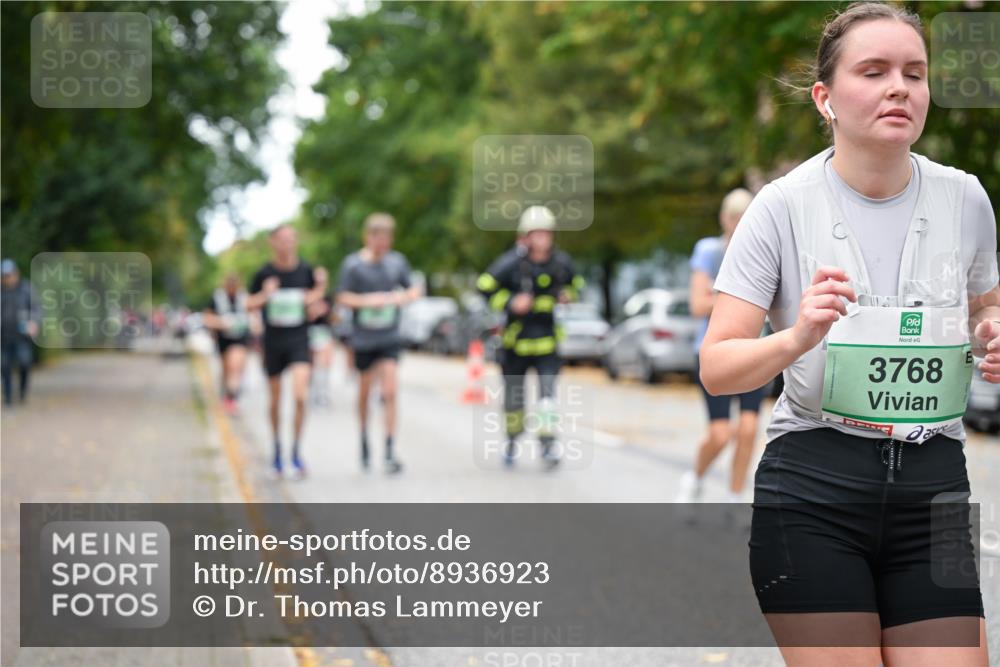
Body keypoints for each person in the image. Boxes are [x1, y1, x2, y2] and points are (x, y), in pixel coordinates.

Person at [700, 3, 997, 664]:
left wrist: (991, 334)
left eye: (915, 73)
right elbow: (717, 365)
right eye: (874, 70)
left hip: (935, 485)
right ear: (825, 98)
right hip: (814, 490)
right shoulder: (779, 207)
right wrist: (798, 335)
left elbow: (986, 312)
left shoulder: (967, 200)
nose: (901, 87)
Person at [477, 206, 585, 469]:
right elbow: (484, 287)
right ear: (525, 236)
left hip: (547, 343)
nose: (542, 239)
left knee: (547, 397)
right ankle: (512, 441)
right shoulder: (511, 263)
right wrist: (511, 302)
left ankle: (548, 446)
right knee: (514, 400)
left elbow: (578, 285)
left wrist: (569, 295)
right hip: (516, 345)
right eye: (537, 233)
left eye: (546, 233)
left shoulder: (561, 263)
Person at [676, 189, 763, 505]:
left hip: (754, 350)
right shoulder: (710, 252)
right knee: (721, 434)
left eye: (746, 216)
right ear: (724, 219)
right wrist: (741, 300)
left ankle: (735, 495)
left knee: (750, 428)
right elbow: (698, 304)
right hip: (718, 350)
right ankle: (695, 477)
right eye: (735, 217)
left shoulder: (763, 250)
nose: (740, 223)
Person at [336, 213, 421, 474]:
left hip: (389, 337)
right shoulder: (353, 265)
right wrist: (367, 301)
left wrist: (400, 297)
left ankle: (389, 449)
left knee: (391, 392)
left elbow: (414, 291)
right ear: (368, 237)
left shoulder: (397, 263)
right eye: (379, 239)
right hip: (363, 339)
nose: (383, 245)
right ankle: (363, 438)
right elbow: (341, 297)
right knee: (364, 393)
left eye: (387, 240)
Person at [247, 225, 328, 479]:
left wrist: (315, 297)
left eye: (291, 239)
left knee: (301, 395)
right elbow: (248, 303)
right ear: (273, 242)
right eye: (282, 240)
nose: (287, 244)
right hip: (273, 341)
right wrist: (265, 294)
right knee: (275, 399)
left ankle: (295, 451)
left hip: (299, 340)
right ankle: (277, 451)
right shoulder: (264, 273)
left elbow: (318, 298)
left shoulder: (306, 270)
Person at [202, 273, 251, 416]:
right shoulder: (217, 298)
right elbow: (207, 317)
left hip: (240, 339)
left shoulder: (244, 297)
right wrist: (221, 323)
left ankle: (232, 398)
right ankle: (227, 395)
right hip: (224, 340)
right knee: (227, 370)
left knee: (235, 367)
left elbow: (254, 313)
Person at [1, 259, 38, 406]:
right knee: (5, 366)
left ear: (16, 274)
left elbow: (36, 308)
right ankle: (8, 397)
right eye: (4, 276)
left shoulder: (26, 288)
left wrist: (33, 322)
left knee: (24, 363)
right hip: (3, 336)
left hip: (22, 336)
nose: (7, 278)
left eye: (9, 275)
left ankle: (22, 393)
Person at [308, 294, 335, 407]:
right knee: (311, 365)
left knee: (325, 365)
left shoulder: (328, 298)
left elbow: (332, 317)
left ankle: (323, 394)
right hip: (310, 331)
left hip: (324, 332)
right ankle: (313, 393)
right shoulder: (308, 295)